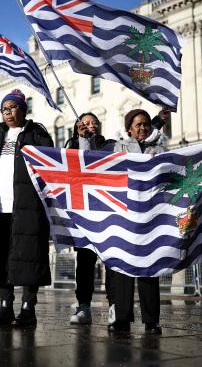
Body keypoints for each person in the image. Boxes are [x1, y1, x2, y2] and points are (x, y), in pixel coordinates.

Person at [0, 89, 54, 327]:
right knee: (2, 257)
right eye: (4, 109)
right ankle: (5, 306)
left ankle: (28, 308)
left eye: (13, 107)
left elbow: (50, 162)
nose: (8, 112)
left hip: (27, 207)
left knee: (28, 256)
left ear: (23, 110)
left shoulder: (36, 133)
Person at [107, 109, 168, 335]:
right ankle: (122, 318)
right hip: (125, 215)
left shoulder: (160, 149)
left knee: (149, 268)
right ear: (129, 128)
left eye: (145, 125)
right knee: (122, 268)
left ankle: (151, 321)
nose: (142, 128)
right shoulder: (119, 147)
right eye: (137, 125)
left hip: (150, 214)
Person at [64, 113, 115, 325]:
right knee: (84, 263)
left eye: (94, 123)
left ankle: (115, 305)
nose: (91, 126)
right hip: (84, 212)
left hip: (109, 211)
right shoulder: (71, 146)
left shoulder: (111, 145)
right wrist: (81, 140)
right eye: (86, 123)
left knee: (112, 261)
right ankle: (83, 305)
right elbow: (70, 169)